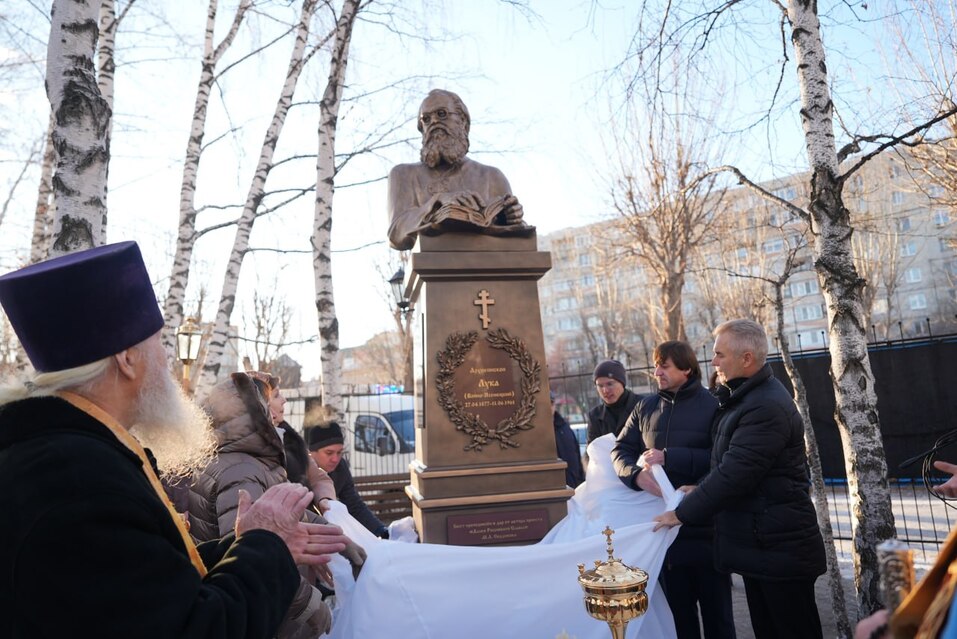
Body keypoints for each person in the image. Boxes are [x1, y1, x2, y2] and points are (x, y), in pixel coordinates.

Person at [0, 241, 349, 638]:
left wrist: (248, 543)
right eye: (160, 344)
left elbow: (146, 584)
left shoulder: (68, 455)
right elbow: (194, 628)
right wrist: (266, 546)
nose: (167, 360)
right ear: (127, 359)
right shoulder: (77, 482)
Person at [653, 319, 827, 639]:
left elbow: (736, 475)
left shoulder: (765, 406)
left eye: (719, 355)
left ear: (746, 359)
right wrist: (699, 487)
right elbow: (728, 464)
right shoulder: (744, 399)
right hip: (763, 547)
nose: (714, 362)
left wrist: (680, 514)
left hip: (780, 550)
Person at [612, 341, 735, 639]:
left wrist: (670, 455)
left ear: (686, 368)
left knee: (719, 619)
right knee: (679, 621)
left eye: (664, 366)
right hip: (664, 538)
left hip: (708, 531)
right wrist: (635, 476)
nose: (656, 372)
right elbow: (619, 451)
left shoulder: (714, 405)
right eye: (656, 365)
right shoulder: (645, 406)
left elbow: (725, 459)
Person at [387, 88, 531, 250]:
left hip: (486, 265)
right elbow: (395, 235)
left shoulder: (492, 176)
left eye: (441, 114)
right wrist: (437, 201)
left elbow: (517, 241)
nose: (433, 122)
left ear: (463, 121)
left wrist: (512, 219)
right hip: (432, 267)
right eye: (426, 119)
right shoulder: (404, 174)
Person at [306, 422, 390, 538]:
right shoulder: (299, 471)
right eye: (329, 453)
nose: (335, 459)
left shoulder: (341, 467)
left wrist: (380, 530)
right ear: (311, 452)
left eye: (339, 452)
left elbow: (354, 505)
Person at [586, 358, 641, 444]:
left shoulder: (643, 406)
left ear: (622, 383)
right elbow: (591, 450)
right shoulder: (595, 416)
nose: (605, 390)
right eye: (600, 386)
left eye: (610, 384)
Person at [552, 391, 585, 488]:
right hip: (552, 487)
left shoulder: (564, 427)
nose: (548, 407)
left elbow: (576, 455)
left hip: (573, 485)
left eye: (551, 403)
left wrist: (580, 481)